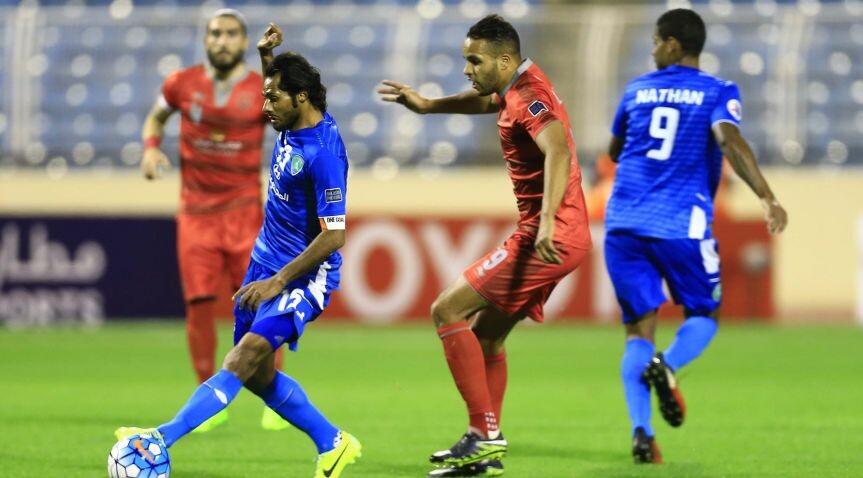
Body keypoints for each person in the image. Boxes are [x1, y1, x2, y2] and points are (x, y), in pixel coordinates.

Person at [116, 23, 362, 478]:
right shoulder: (292, 118)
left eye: (272, 99)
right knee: (259, 377)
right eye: (265, 97)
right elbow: (277, 87)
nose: (264, 108)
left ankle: (157, 441)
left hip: (301, 279)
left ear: (300, 98)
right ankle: (333, 441)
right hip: (262, 266)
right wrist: (267, 57)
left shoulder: (324, 153)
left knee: (240, 360)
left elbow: (334, 236)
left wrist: (279, 281)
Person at [379, 14, 592, 477]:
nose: (466, 69)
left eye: (474, 61)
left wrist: (547, 221)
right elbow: (488, 101)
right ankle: (486, 450)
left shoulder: (531, 97)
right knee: (487, 336)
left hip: (548, 233)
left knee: (446, 310)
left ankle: (484, 436)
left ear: (504, 60)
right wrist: (428, 105)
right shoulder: (515, 88)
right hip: (557, 232)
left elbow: (557, 149)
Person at [605, 8, 788, 464]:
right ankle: (666, 366)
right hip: (679, 225)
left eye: (656, 42)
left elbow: (615, 149)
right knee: (706, 313)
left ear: (673, 45)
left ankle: (642, 434)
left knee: (637, 329)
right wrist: (767, 196)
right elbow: (728, 139)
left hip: (623, 223)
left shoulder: (637, 89)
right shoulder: (718, 91)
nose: (652, 50)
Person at [139, 8, 287, 432]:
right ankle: (209, 398)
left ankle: (274, 394)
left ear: (242, 41)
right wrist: (151, 148)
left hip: (245, 213)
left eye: (231, 34)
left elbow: (289, 123)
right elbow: (156, 117)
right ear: (206, 40)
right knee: (200, 304)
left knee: (262, 302)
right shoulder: (180, 84)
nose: (223, 40)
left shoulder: (259, 87)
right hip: (196, 214)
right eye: (216, 33)